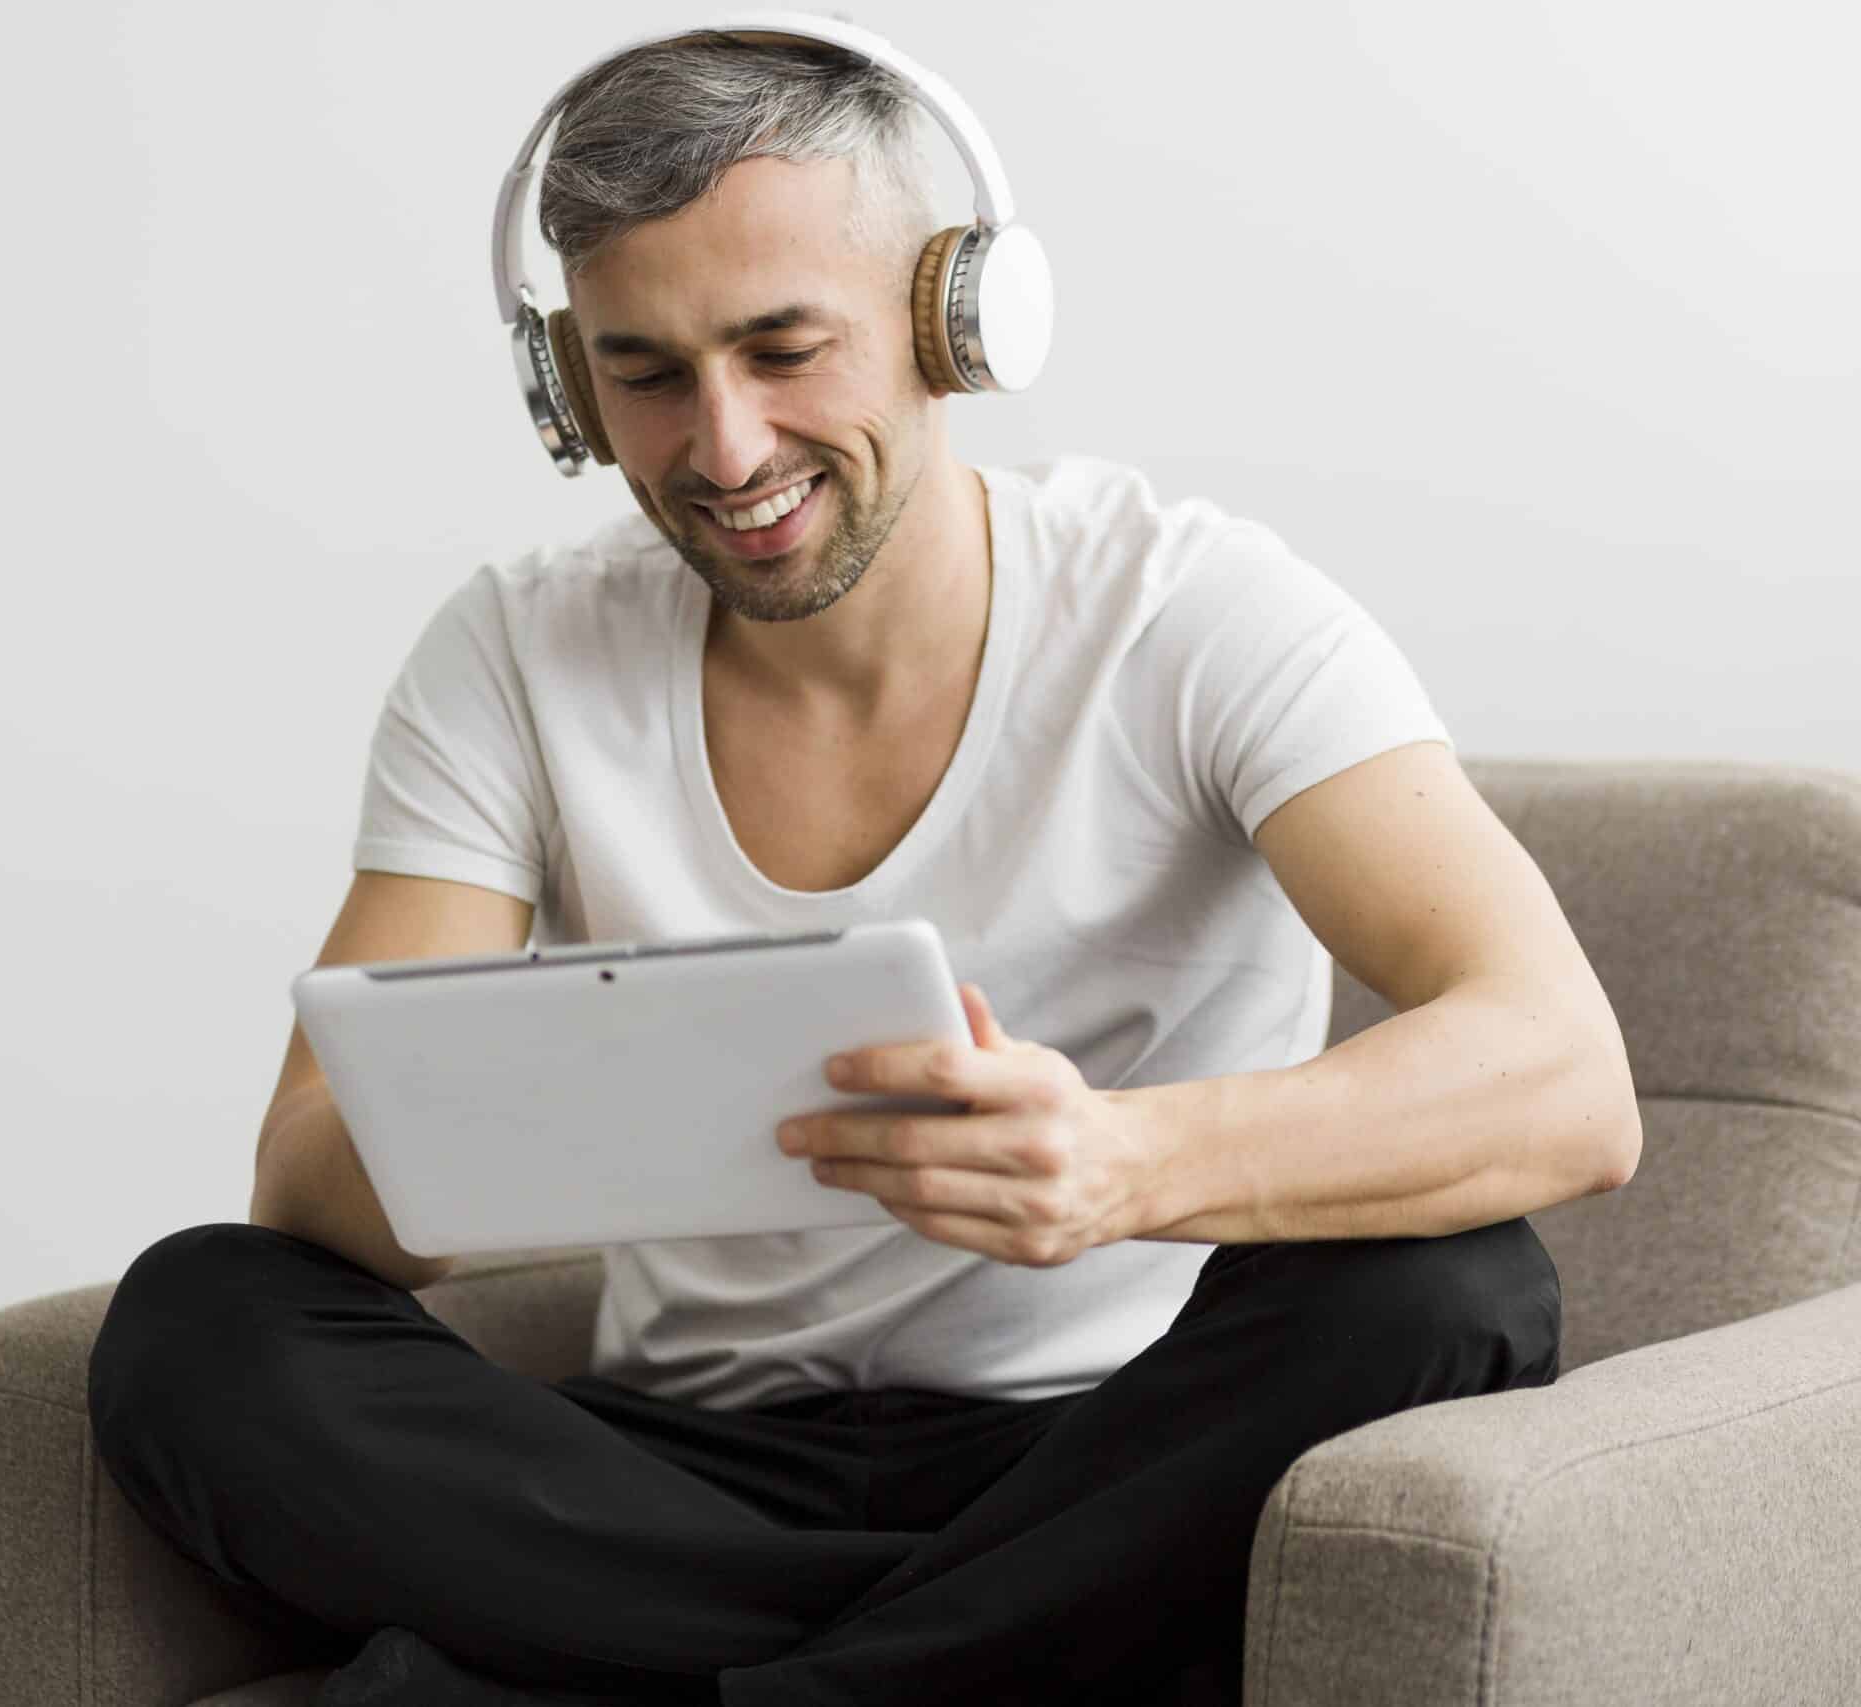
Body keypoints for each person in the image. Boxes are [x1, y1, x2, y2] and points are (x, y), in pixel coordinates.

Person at [89, 22, 1635, 1707]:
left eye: (780, 348)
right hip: (679, 1478)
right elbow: (306, 1185)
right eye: (646, 373)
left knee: (1452, 1285)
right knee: (197, 1325)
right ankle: (957, 1658)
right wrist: (499, 1124)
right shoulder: (515, 654)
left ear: (951, 321)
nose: (727, 449)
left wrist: (1122, 1162)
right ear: (566, 385)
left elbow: (1565, 1078)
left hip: (1108, 1448)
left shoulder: (1193, 613)